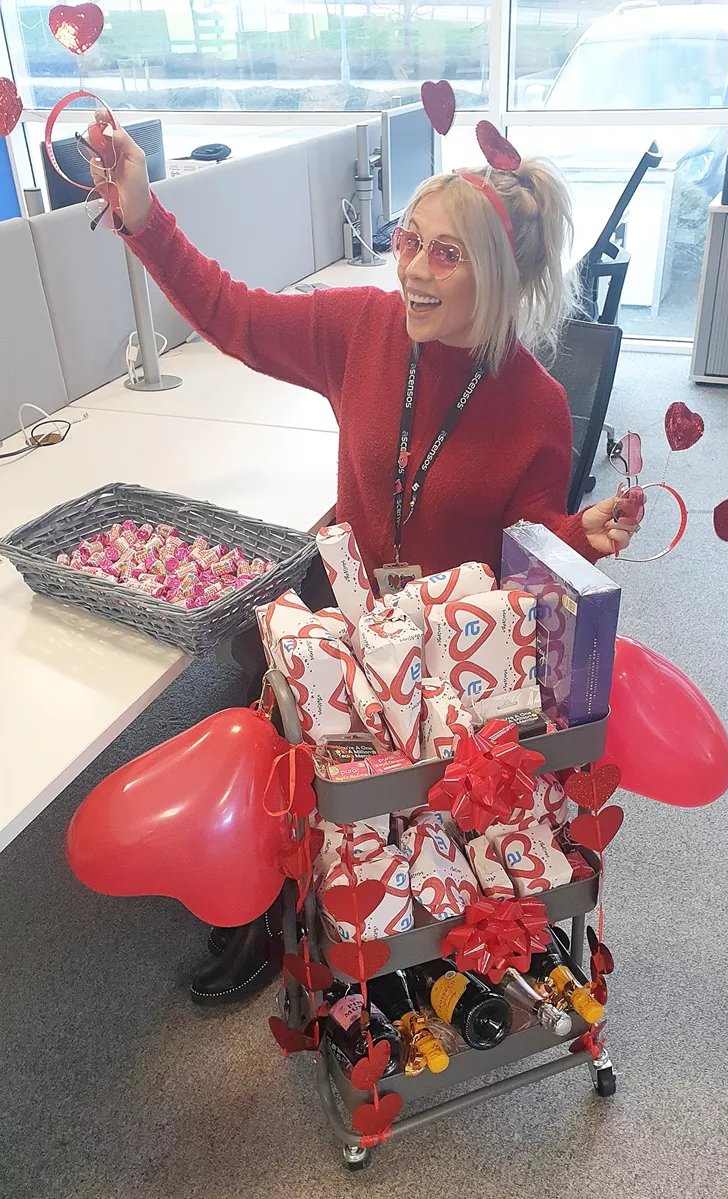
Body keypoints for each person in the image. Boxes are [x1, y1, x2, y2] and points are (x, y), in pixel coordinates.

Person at [91, 117, 643, 1005]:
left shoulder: (535, 403)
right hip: (346, 593)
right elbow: (236, 315)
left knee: (384, 782)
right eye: (407, 241)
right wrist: (145, 215)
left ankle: (392, 899)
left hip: (436, 644)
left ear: (496, 279)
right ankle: (259, 907)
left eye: (445, 255)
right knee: (273, 711)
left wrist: (583, 531)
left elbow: (527, 543)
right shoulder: (364, 326)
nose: (414, 270)